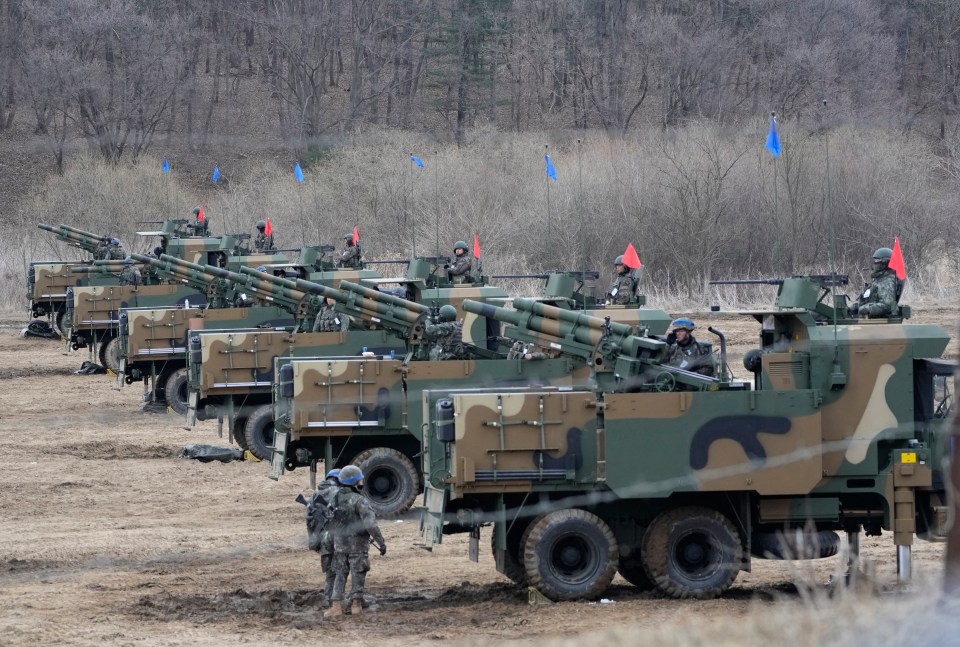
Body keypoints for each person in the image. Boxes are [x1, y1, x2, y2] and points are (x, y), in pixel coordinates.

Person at [324, 465, 386, 618]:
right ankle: (356, 605)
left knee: (340, 573)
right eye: (360, 479)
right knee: (358, 573)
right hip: (357, 545)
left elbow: (327, 521)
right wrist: (381, 542)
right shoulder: (360, 501)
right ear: (354, 482)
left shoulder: (334, 498)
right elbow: (371, 525)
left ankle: (336, 606)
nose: (362, 481)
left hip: (339, 545)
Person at [310, 469, 342, 608]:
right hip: (339, 537)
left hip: (322, 539)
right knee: (342, 570)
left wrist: (314, 543)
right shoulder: (339, 494)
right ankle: (339, 600)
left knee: (330, 572)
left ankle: (329, 600)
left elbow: (310, 522)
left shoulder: (315, 495)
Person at [850, 247, 901, 319]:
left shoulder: (887, 281)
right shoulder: (879, 278)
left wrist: (868, 309)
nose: (875, 262)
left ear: (886, 262)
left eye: (877, 260)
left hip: (878, 320)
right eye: (875, 260)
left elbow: (887, 305)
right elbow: (872, 300)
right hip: (870, 318)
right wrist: (856, 307)